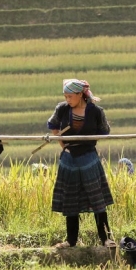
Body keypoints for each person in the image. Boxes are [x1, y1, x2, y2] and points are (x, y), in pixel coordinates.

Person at [47, 79, 115, 248]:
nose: (67, 100)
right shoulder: (61, 109)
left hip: (89, 158)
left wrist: (86, 142)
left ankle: (106, 238)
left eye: (70, 96)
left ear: (80, 95)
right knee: (70, 200)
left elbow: (104, 131)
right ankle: (71, 241)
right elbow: (54, 128)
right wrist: (65, 146)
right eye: (65, 96)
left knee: (97, 199)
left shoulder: (96, 112)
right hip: (69, 159)